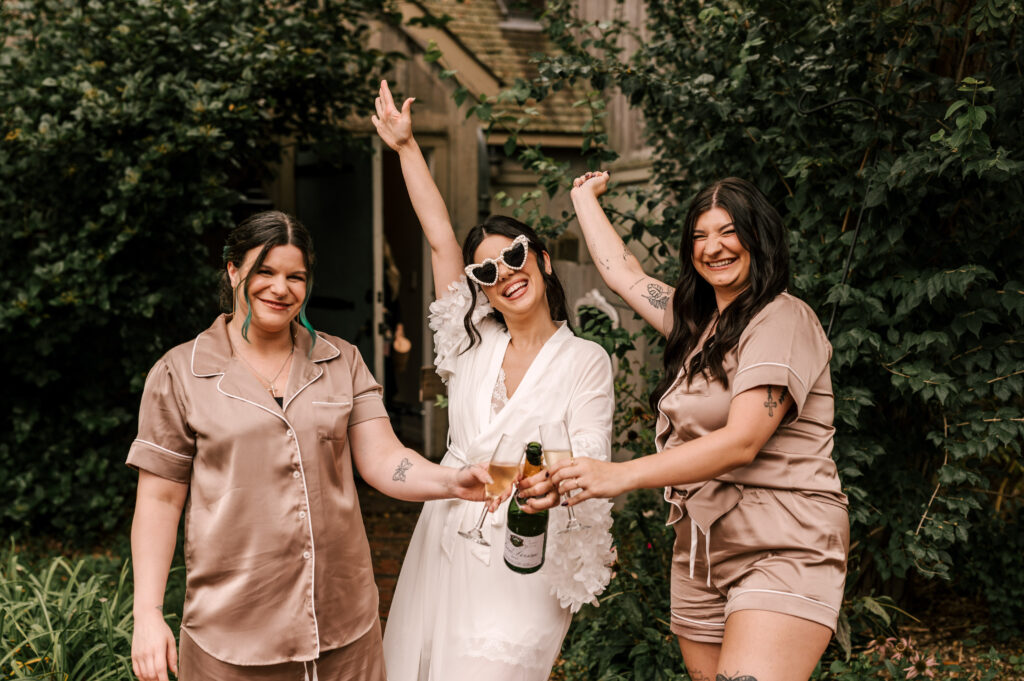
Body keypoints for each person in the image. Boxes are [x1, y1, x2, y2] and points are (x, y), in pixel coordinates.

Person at [127, 211, 495, 681]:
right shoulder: (180, 372)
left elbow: (383, 457)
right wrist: (147, 614)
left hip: (343, 627)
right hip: (232, 632)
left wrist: (451, 480)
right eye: (265, 271)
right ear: (233, 270)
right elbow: (159, 500)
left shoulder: (341, 360)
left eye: (295, 276)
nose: (281, 288)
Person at [556, 172, 849, 681]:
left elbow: (742, 442)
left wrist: (616, 475)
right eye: (699, 235)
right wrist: (582, 196)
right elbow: (623, 274)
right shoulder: (698, 326)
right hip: (702, 550)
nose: (712, 247)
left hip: (782, 542)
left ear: (758, 237)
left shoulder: (782, 319)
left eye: (728, 231)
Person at [371, 81, 616, 680]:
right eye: (487, 269)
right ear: (477, 287)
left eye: (514, 256)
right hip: (447, 535)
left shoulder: (586, 360)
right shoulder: (469, 343)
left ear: (542, 260)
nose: (504, 272)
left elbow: (590, 459)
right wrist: (406, 148)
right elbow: (439, 240)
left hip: (525, 550)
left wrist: (519, 475)